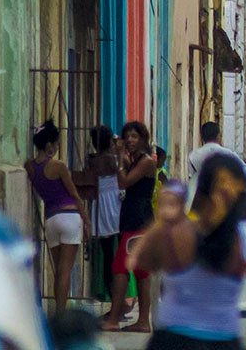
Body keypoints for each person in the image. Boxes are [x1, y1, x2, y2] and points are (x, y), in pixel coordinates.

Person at [131, 154, 246, 349]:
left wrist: (162, 221)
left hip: (172, 339)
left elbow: (141, 261)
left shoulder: (174, 233)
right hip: (224, 338)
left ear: (200, 192)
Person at [28, 120, 90, 314]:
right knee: (65, 270)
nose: (57, 147)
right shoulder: (59, 166)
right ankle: (61, 314)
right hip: (70, 216)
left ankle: (58, 312)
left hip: (51, 219)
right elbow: (74, 194)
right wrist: (87, 221)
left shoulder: (29, 167)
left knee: (57, 271)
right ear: (49, 145)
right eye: (56, 144)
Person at [105, 121, 159, 332]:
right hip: (134, 219)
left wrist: (120, 160)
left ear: (143, 139)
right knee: (140, 271)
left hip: (138, 220)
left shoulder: (145, 162)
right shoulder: (136, 160)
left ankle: (114, 319)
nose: (129, 140)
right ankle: (143, 321)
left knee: (120, 268)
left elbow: (123, 182)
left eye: (134, 136)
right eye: (127, 136)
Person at [89, 125, 124, 321]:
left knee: (108, 257)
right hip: (115, 207)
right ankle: (119, 304)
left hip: (100, 207)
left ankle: (113, 302)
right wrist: (120, 152)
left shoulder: (93, 160)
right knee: (120, 259)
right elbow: (123, 170)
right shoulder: (113, 160)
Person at [188, 122, 242, 202]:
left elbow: (191, 176)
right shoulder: (229, 155)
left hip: (199, 199)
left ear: (202, 137)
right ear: (218, 136)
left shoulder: (193, 156)